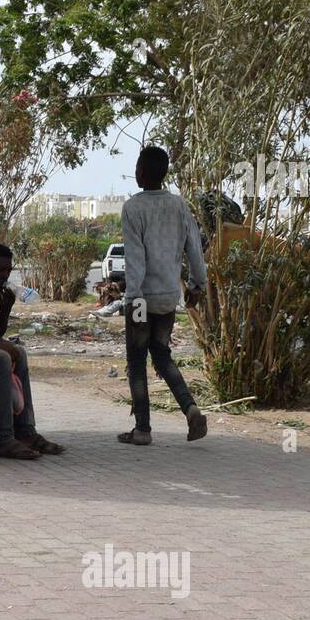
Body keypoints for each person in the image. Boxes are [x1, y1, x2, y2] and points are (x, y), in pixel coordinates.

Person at [119, 145, 208, 446]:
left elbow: (134, 259)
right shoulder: (179, 206)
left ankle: (142, 429)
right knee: (161, 355)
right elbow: (194, 250)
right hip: (168, 297)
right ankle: (191, 408)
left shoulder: (133, 208)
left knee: (136, 361)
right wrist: (197, 285)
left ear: (141, 172)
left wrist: (132, 298)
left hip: (142, 298)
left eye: (137, 166)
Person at [0, 241, 66, 457]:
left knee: (17, 353)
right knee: (2, 358)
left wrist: (6, 308)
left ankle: (25, 430)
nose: (4, 276)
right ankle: (4, 436)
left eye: (8, 271)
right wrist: (3, 345)